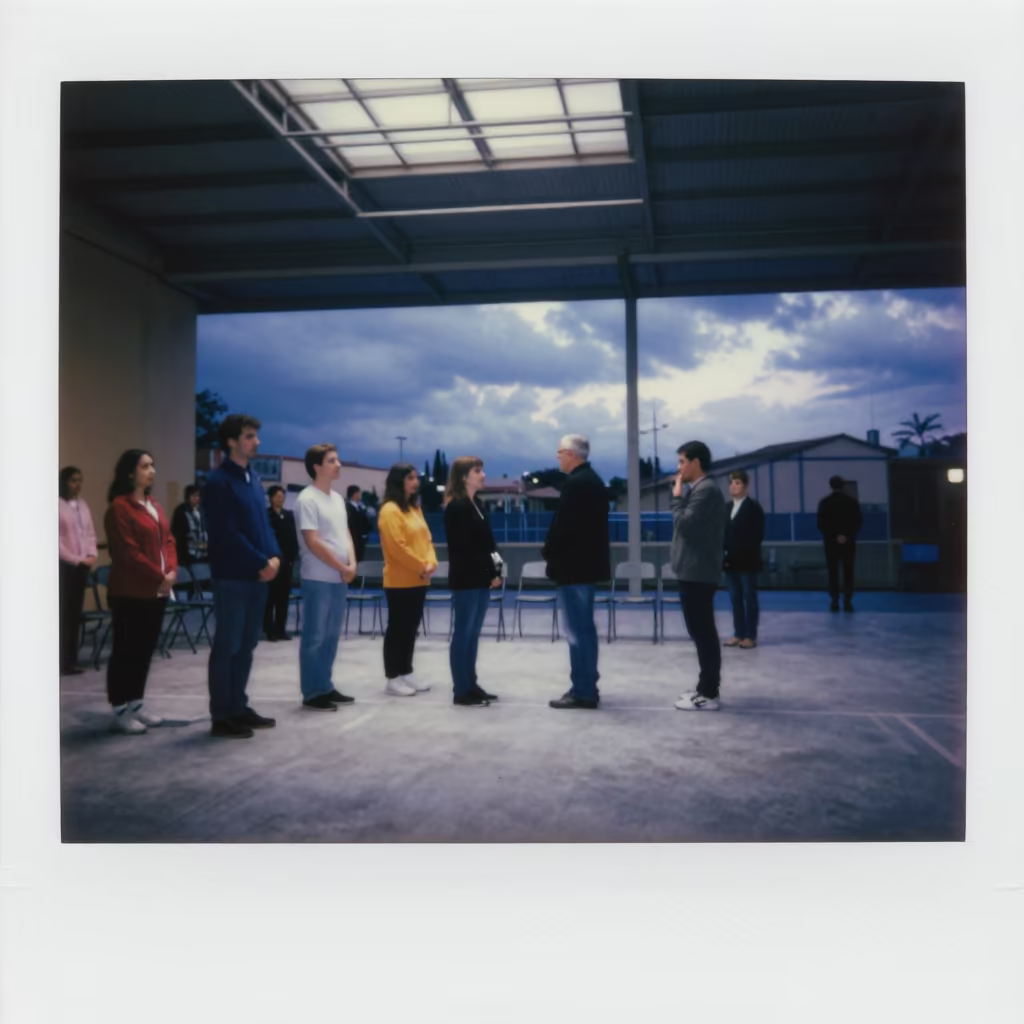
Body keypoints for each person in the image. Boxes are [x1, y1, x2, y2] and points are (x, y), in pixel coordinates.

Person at [203, 414, 281, 739]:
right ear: (232, 441)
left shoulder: (252, 479)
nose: (256, 442)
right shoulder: (218, 482)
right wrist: (261, 561)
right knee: (228, 645)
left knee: (247, 644)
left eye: (256, 436)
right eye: (249, 436)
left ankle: (238, 705)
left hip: (257, 575)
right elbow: (227, 534)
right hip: (233, 576)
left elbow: (263, 526)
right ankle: (222, 715)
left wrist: (275, 556)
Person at [103, 450, 177, 733]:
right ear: (130, 473)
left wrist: (171, 571)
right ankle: (120, 707)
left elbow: (169, 541)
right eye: (145, 466)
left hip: (156, 591)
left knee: (145, 650)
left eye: (153, 466)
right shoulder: (119, 508)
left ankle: (136, 702)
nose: (152, 471)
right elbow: (128, 553)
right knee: (126, 650)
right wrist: (161, 575)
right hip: (130, 592)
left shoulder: (154, 505)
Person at [541, 434, 611, 710]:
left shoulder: (576, 484)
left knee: (577, 631)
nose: (558, 457)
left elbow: (563, 526)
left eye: (560, 452)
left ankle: (582, 690)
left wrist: (548, 551)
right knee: (585, 629)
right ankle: (587, 683)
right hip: (586, 567)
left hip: (573, 569)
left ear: (572, 454)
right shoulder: (592, 481)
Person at [294, 445, 358, 711]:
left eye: (338, 459)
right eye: (332, 460)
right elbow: (313, 541)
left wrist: (352, 563)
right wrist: (340, 566)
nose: (338, 464)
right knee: (315, 635)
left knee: (331, 635)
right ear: (317, 467)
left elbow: (345, 535)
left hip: (339, 578)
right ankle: (312, 691)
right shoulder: (307, 499)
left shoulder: (338, 498)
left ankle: (325, 685)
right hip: (319, 578)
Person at [670, 441, 728, 712]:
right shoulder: (703, 490)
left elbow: (685, 525)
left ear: (696, 462)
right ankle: (705, 687)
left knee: (703, 632)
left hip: (698, 572)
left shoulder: (705, 491)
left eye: (682, 462)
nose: (679, 468)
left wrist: (677, 497)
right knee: (701, 631)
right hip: (694, 571)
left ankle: (708, 692)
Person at [443, 456, 503, 707]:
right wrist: (489, 572)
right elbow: (465, 549)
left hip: (481, 579)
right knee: (463, 634)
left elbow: (488, 544)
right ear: (464, 476)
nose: (483, 474)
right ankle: (461, 690)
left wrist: (496, 570)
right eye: (478, 471)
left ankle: (471, 683)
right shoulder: (456, 507)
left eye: (482, 469)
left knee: (473, 634)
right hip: (467, 580)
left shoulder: (476, 504)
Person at [376, 464, 437, 697]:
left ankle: (406, 671)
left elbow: (427, 540)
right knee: (398, 629)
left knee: (411, 628)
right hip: (399, 581)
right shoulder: (389, 510)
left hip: (419, 580)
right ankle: (393, 677)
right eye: (410, 478)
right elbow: (397, 548)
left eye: (415, 477)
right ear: (398, 481)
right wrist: (422, 566)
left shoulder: (414, 508)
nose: (415, 482)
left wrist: (431, 563)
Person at [59, 465, 98, 676]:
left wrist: (91, 555)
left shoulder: (82, 504)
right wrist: (76, 559)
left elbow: (90, 533)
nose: (78, 484)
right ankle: (61, 661)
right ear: (64, 482)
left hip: (82, 566)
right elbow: (56, 541)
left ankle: (71, 660)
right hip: (65, 566)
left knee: (74, 615)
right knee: (63, 615)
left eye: (80, 480)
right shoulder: (55, 504)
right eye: (74, 480)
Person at [722, 469, 765, 649]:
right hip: (729, 561)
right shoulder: (726, 507)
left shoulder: (753, 507)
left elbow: (757, 535)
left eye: (737, 482)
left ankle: (750, 635)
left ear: (745, 485)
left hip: (747, 560)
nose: (733, 486)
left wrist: (741, 551)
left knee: (749, 597)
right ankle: (738, 633)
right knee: (735, 598)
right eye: (731, 482)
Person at [817, 475, 863, 612]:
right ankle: (848, 600)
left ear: (831, 485)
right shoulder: (852, 502)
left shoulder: (825, 503)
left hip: (831, 543)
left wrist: (834, 536)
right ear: (842, 485)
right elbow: (857, 522)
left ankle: (834, 600)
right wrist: (845, 535)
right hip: (848, 542)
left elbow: (821, 524)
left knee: (833, 571)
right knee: (848, 571)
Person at [263, 484, 299, 641]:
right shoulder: (266, 516)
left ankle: (281, 628)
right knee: (270, 597)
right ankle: (269, 629)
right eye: (278, 496)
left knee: (283, 597)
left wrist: (292, 557)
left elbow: (293, 537)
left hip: (287, 561)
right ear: (271, 498)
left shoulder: (289, 515)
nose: (280, 499)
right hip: (271, 562)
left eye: (282, 496)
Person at [170, 484, 208, 569]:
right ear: (188, 496)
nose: (197, 498)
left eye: (199, 496)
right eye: (194, 495)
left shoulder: (202, 510)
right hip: (187, 554)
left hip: (203, 553)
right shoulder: (181, 510)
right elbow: (177, 533)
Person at [345, 485, 372, 563]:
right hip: (354, 536)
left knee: (360, 556)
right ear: (354, 494)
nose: (359, 495)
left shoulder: (361, 506)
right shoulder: (349, 507)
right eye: (358, 493)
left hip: (361, 537)